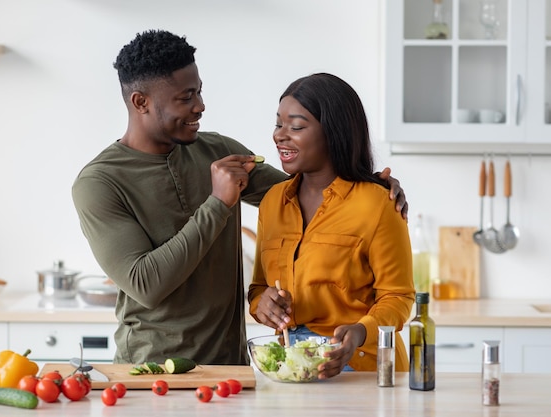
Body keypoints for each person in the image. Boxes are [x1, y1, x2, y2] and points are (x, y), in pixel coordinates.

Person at [72, 29, 408, 365]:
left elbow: (306, 193)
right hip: (152, 368)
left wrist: (373, 188)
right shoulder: (99, 182)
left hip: (231, 368)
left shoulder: (218, 150)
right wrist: (218, 204)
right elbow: (145, 284)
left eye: (199, 91)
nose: (200, 106)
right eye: (186, 97)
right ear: (140, 102)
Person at [248, 73, 415, 378]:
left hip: (364, 366)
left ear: (334, 132)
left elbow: (399, 297)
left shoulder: (377, 203)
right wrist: (262, 305)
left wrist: (360, 333)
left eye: (296, 126)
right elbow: (259, 288)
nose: (280, 135)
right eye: (278, 124)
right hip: (291, 366)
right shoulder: (273, 202)